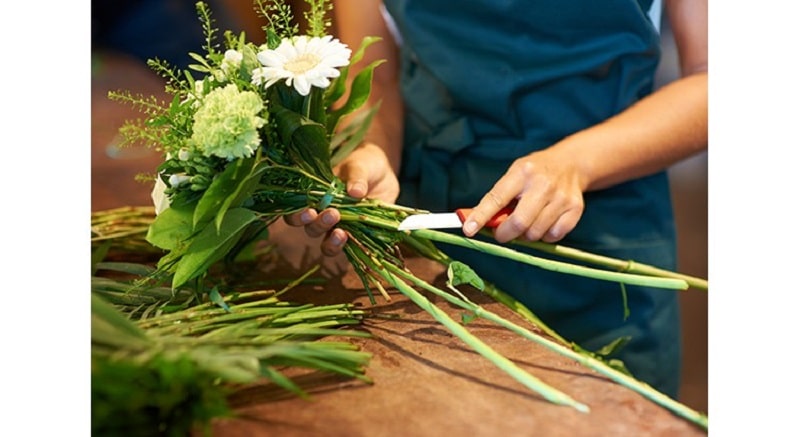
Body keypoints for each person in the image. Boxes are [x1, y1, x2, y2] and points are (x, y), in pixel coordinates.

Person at [286, 0, 707, 399]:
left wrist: (578, 163)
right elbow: (373, 75)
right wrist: (369, 148)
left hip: (602, 237)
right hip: (429, 237)